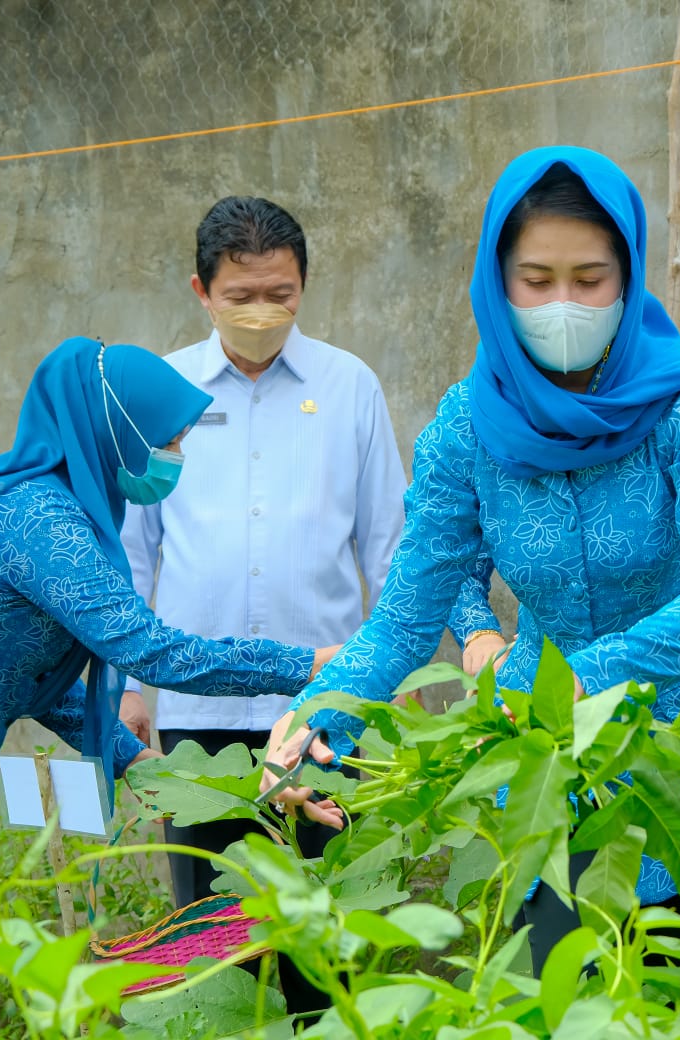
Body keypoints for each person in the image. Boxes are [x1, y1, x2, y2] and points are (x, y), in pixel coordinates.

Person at [261, 146, 680, 975]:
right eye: (536, 279)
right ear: (495, 279)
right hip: (546, 763)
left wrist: (583, 675)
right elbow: (406, 617)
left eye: (590, 279)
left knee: (679, 997)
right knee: (560, 992)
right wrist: (315, 720)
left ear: (629, 273)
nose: (563, 304)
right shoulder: (464, 430)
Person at [0, 338, 336, 1021]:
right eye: (168, 442)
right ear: (117, 432)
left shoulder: (57, 510)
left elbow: (34, 681)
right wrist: (307, 662)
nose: (175, 460)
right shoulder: (37, 517)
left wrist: (154, 769)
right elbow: (149, 649)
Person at [119, 196, 407, 908]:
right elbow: (131, 549)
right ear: (202, 294)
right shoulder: (162, 389)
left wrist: (392, 678)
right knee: (214, 928)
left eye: (279, 295)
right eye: (239, 296)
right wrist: (126, 686)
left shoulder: (350, 388)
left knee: (327, 920)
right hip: (196, 715)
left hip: (327, 709)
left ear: (303, 286)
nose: (261, 311)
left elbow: (391, 548)